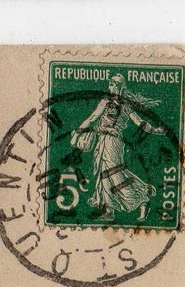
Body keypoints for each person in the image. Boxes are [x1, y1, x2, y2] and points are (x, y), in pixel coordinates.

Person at [71, 74, 166, 223]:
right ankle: (110, 210)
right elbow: (92, 118)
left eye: (114, 83)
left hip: (112, 142)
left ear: (121, 87)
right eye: (109, 82)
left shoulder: (123, 104)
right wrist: (77, 134)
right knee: (105, 176)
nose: (110, 85)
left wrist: (155, 130)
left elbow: (140, 122)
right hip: (104, 141)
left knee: (115, 175)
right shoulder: (106, 101)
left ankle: (142, 199)